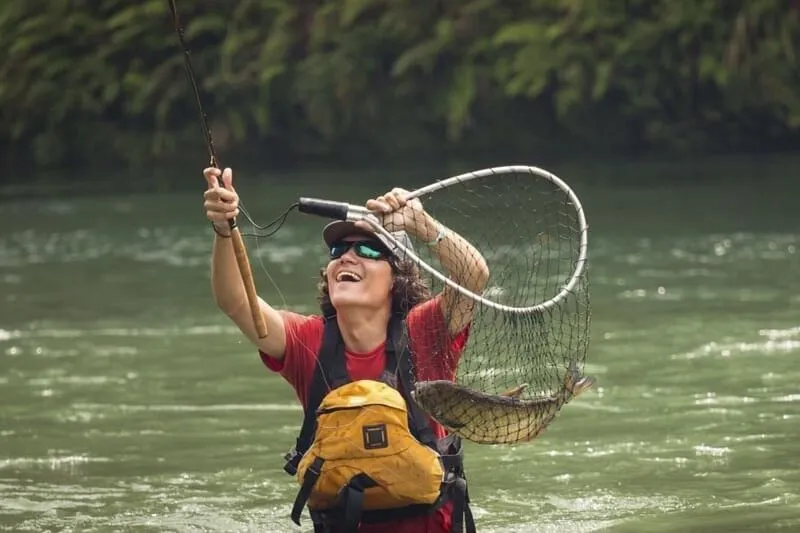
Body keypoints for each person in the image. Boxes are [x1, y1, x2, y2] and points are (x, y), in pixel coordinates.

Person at [202, 166, 490, 533]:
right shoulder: (308, 340)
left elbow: (474, 277)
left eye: (368, 249)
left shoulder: (426, 331)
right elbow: (235, 301)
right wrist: (224, 228)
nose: (347, 257)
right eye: (339, 249)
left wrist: (422, 225)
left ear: (397, 277)